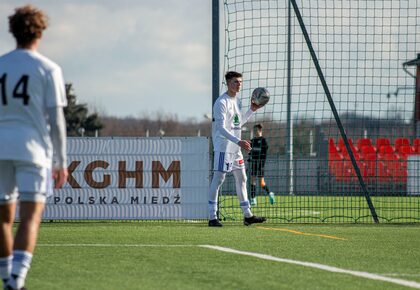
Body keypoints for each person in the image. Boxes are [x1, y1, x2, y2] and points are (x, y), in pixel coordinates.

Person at [0, 5, 68, 290]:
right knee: (30, 216)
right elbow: (57, 120)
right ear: (40, 32)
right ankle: (17, 280)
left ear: (12, 31)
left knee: (3, 218)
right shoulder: (48, 68)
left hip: (1, 148)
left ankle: (6, 279)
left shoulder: (1, 64)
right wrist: (62, 161)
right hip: (33, 151)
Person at [208, 71, 267, 227]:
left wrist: (251, 110)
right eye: (235, 81)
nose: (239, 84)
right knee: (218, 180)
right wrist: (238, 141)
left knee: (242, 179)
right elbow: (220, 128)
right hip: (223, 148)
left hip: (236, 149)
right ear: (228, 83)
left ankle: (248, 215)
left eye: (240, 82)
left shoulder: (238, 101)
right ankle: (212, 217)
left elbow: (237, 123)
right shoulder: (221, 103)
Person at [248, 124, 276, 206]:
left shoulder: (263, 141)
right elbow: (250, 152)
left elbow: (264, 153)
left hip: (260, 164)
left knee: (261, 183)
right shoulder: (252, 141)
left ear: (260, 130)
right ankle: (253, 199)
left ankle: (270, 193)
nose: (255, 132)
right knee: (252, 180)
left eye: (256, 130)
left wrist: (262, 162)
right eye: (254, 131)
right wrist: (250, 158)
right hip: (254, 164)